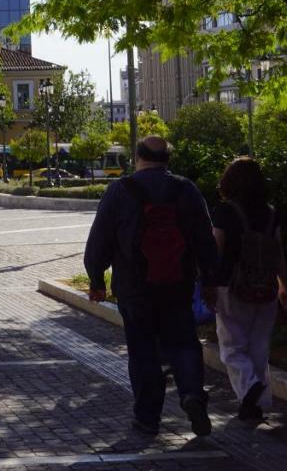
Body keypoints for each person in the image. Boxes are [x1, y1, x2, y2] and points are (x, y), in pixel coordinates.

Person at [84, 136, 219, 438]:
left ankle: (147, 418)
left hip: (134, 288)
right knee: (184, 342)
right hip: (178, 284)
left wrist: (96, 279)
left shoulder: (120, 190)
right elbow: (205, 241)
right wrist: (210, 280)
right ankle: (193, 394)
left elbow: (100, 240)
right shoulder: (187, 190)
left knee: (142, 351)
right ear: (168, 159)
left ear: (137, 156)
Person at [208, 156, 287, 422]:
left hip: (230, 288)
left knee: (232, 347)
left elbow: (216, 250)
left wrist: (206, 282)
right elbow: (278, 252)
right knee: (259, 345)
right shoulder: (270, 212)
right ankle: (256, 402)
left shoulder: (224, 211)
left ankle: (249, 387)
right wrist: (284, 286)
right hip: (265, 286)